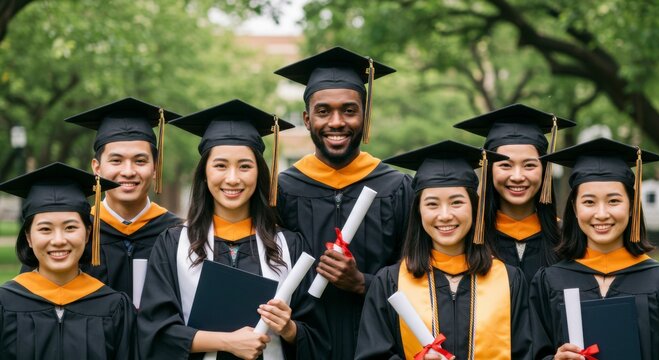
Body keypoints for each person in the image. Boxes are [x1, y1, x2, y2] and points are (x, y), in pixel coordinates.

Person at [137, 99, 329, 360]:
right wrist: (228, 342)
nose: (233, 178)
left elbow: (319, 336)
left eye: (245, 166)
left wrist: (289, 328)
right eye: (220, 165)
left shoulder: (289, 246)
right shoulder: (173, 244)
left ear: (259, 173)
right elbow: (156, 331)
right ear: (204, 173)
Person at [274, 46, 414, 359]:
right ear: (307, 120)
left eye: (349, 110)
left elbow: (419, 275)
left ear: (365, 116)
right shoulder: (281, 190)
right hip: (304, 346)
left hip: (382, 345)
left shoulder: (397, 187)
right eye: (323, 112)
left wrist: (363, 282)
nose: (336, 122)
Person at [355, 140, 531, 359]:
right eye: (432, 204)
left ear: (475, 208)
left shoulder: (509, 280)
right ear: (418, 212)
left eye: (457, 202)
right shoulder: (390, 282)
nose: (445, 215)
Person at [529, 138, 659, 360]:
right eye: (589, 202)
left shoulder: (656, 280)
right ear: (575, 207)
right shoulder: (549, 281)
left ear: (631, 206)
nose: (601, 214)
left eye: (613, 201)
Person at [0, 162, 135, 359]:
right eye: (45, 229)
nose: (58, 240)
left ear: (88, 233)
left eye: (70, 227)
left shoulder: (113, 307)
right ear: (28, 237)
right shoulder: (5, 303)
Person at [64, 97, 182, 299]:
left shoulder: (179, 235)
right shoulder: (75, 233)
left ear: (155, 167)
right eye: (116, 161)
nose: (128, 171)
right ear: (97, 168)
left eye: (140, 161)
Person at [454, 104, 575, 282]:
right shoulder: (470, 240)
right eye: (505, 165)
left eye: (529, 165)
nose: (517, 177)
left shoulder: (567, 237)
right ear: (489, 170)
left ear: (545, 170)